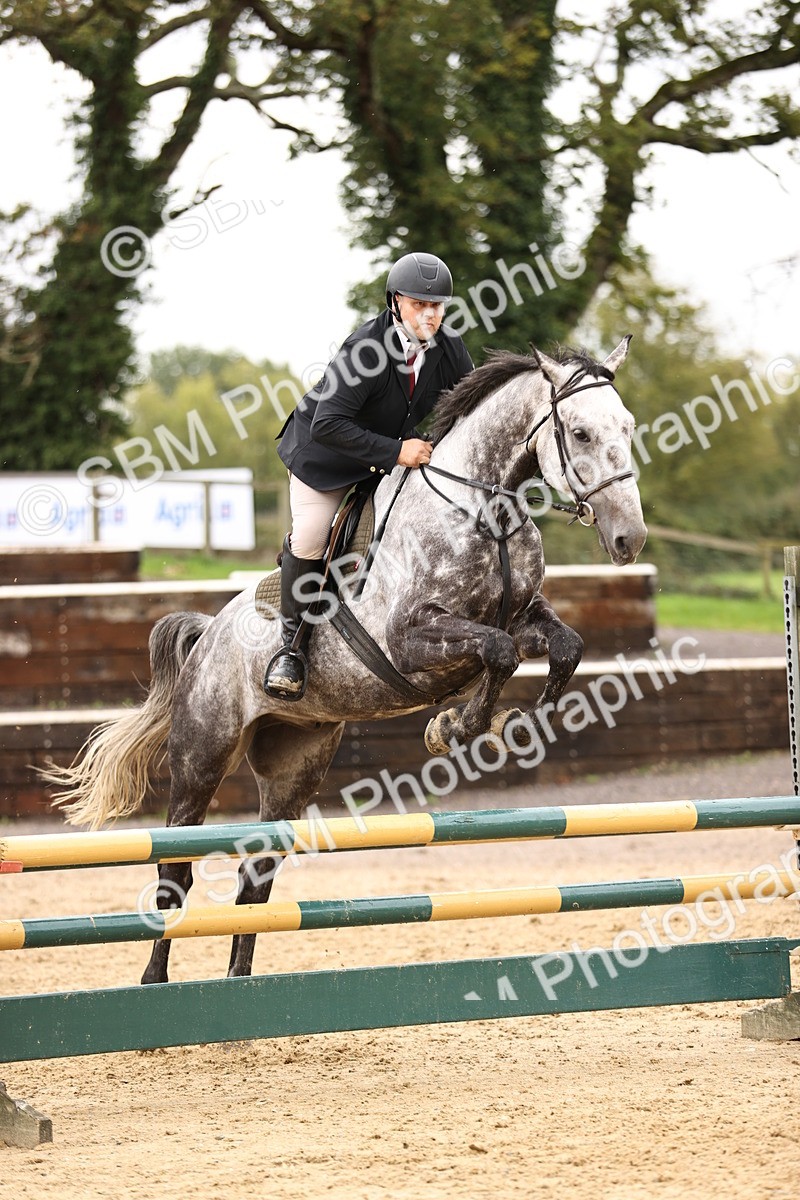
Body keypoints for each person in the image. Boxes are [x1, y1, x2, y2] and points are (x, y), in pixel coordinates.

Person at [265, 250, 474, 699]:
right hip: (325, 457)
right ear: (396, 301)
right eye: (420, 304)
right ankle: (290, 649)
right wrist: (398, 451)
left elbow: (471, 411)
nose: (430, 314)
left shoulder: (449, 348)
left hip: (385, 459)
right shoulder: (366, 350)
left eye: (437, 306)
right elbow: (327, 424)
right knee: (312, 534)